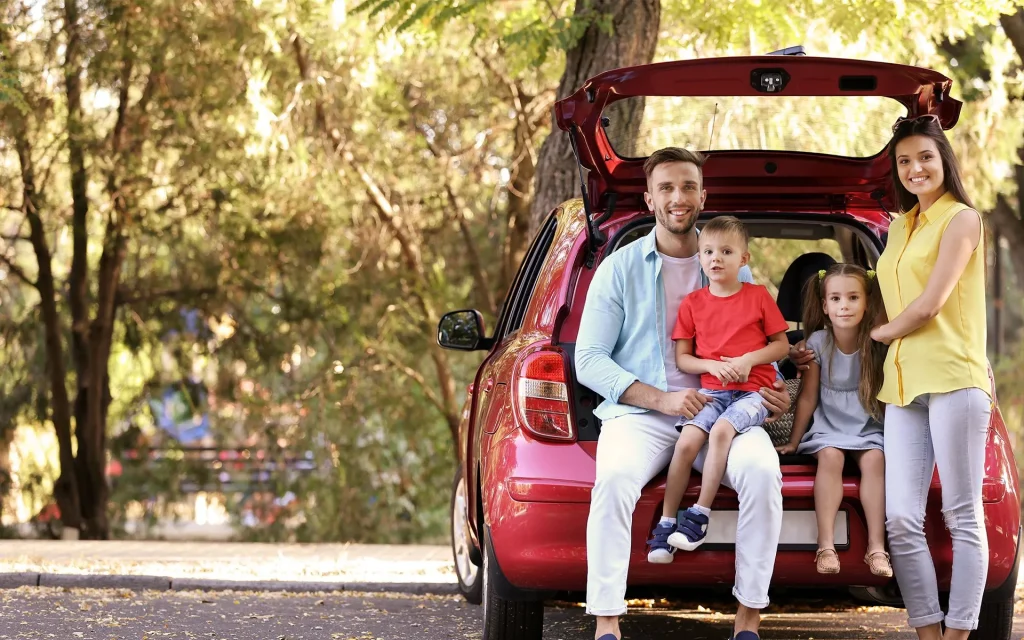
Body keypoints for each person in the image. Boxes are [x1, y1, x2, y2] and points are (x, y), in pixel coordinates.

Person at [575, 147, 792, 640]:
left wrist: (773, 389)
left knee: (762, 472)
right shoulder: (619, 268)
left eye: (689, 187)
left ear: (703, 195)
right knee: (612, 482)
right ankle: (607, 624)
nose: (679, 197)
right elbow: (588, 359)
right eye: (667, 188)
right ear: (649, 198)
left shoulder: (733, 265)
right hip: (643, 414)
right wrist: (660, 399)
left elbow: (762, 345)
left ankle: (748, 623)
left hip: (729, 407)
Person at [870, 114, 992, 640]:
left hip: (953, 380)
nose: (915, 168)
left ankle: (960, 633)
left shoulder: (962, 219)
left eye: (924, 157)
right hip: (902, 386)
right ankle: (927, 633)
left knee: (963, 515)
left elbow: (930, 304)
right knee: (900, 519)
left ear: (944, 159)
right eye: (904, 161)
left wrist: (879, 335)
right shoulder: (899, 225)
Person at [651, 216, 789, 557]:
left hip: (753, 392)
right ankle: (667, 522)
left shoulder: (757, 297)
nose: (716, 258)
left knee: (722, 431)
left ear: (743, 259)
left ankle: (699, 514)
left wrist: (748, 360)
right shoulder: (693, 304)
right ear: (699, 257)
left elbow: (781, 346)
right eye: (709, 251)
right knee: (685, 444)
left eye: (726, 251)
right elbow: (684, 358)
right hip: (712, 391)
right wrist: (711, 365)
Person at [775, 264, 891, 578]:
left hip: (866, 425)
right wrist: (795, 441)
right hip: (828, 425)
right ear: (825, 306)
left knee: (875, 460)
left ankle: (877, 548)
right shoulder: (816, 343)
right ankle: (825, 545)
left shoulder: (876, 342)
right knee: (830, 456)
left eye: (853, 298)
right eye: (836, 298)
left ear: (867, 303)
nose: (844, 305)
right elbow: (809, 398)